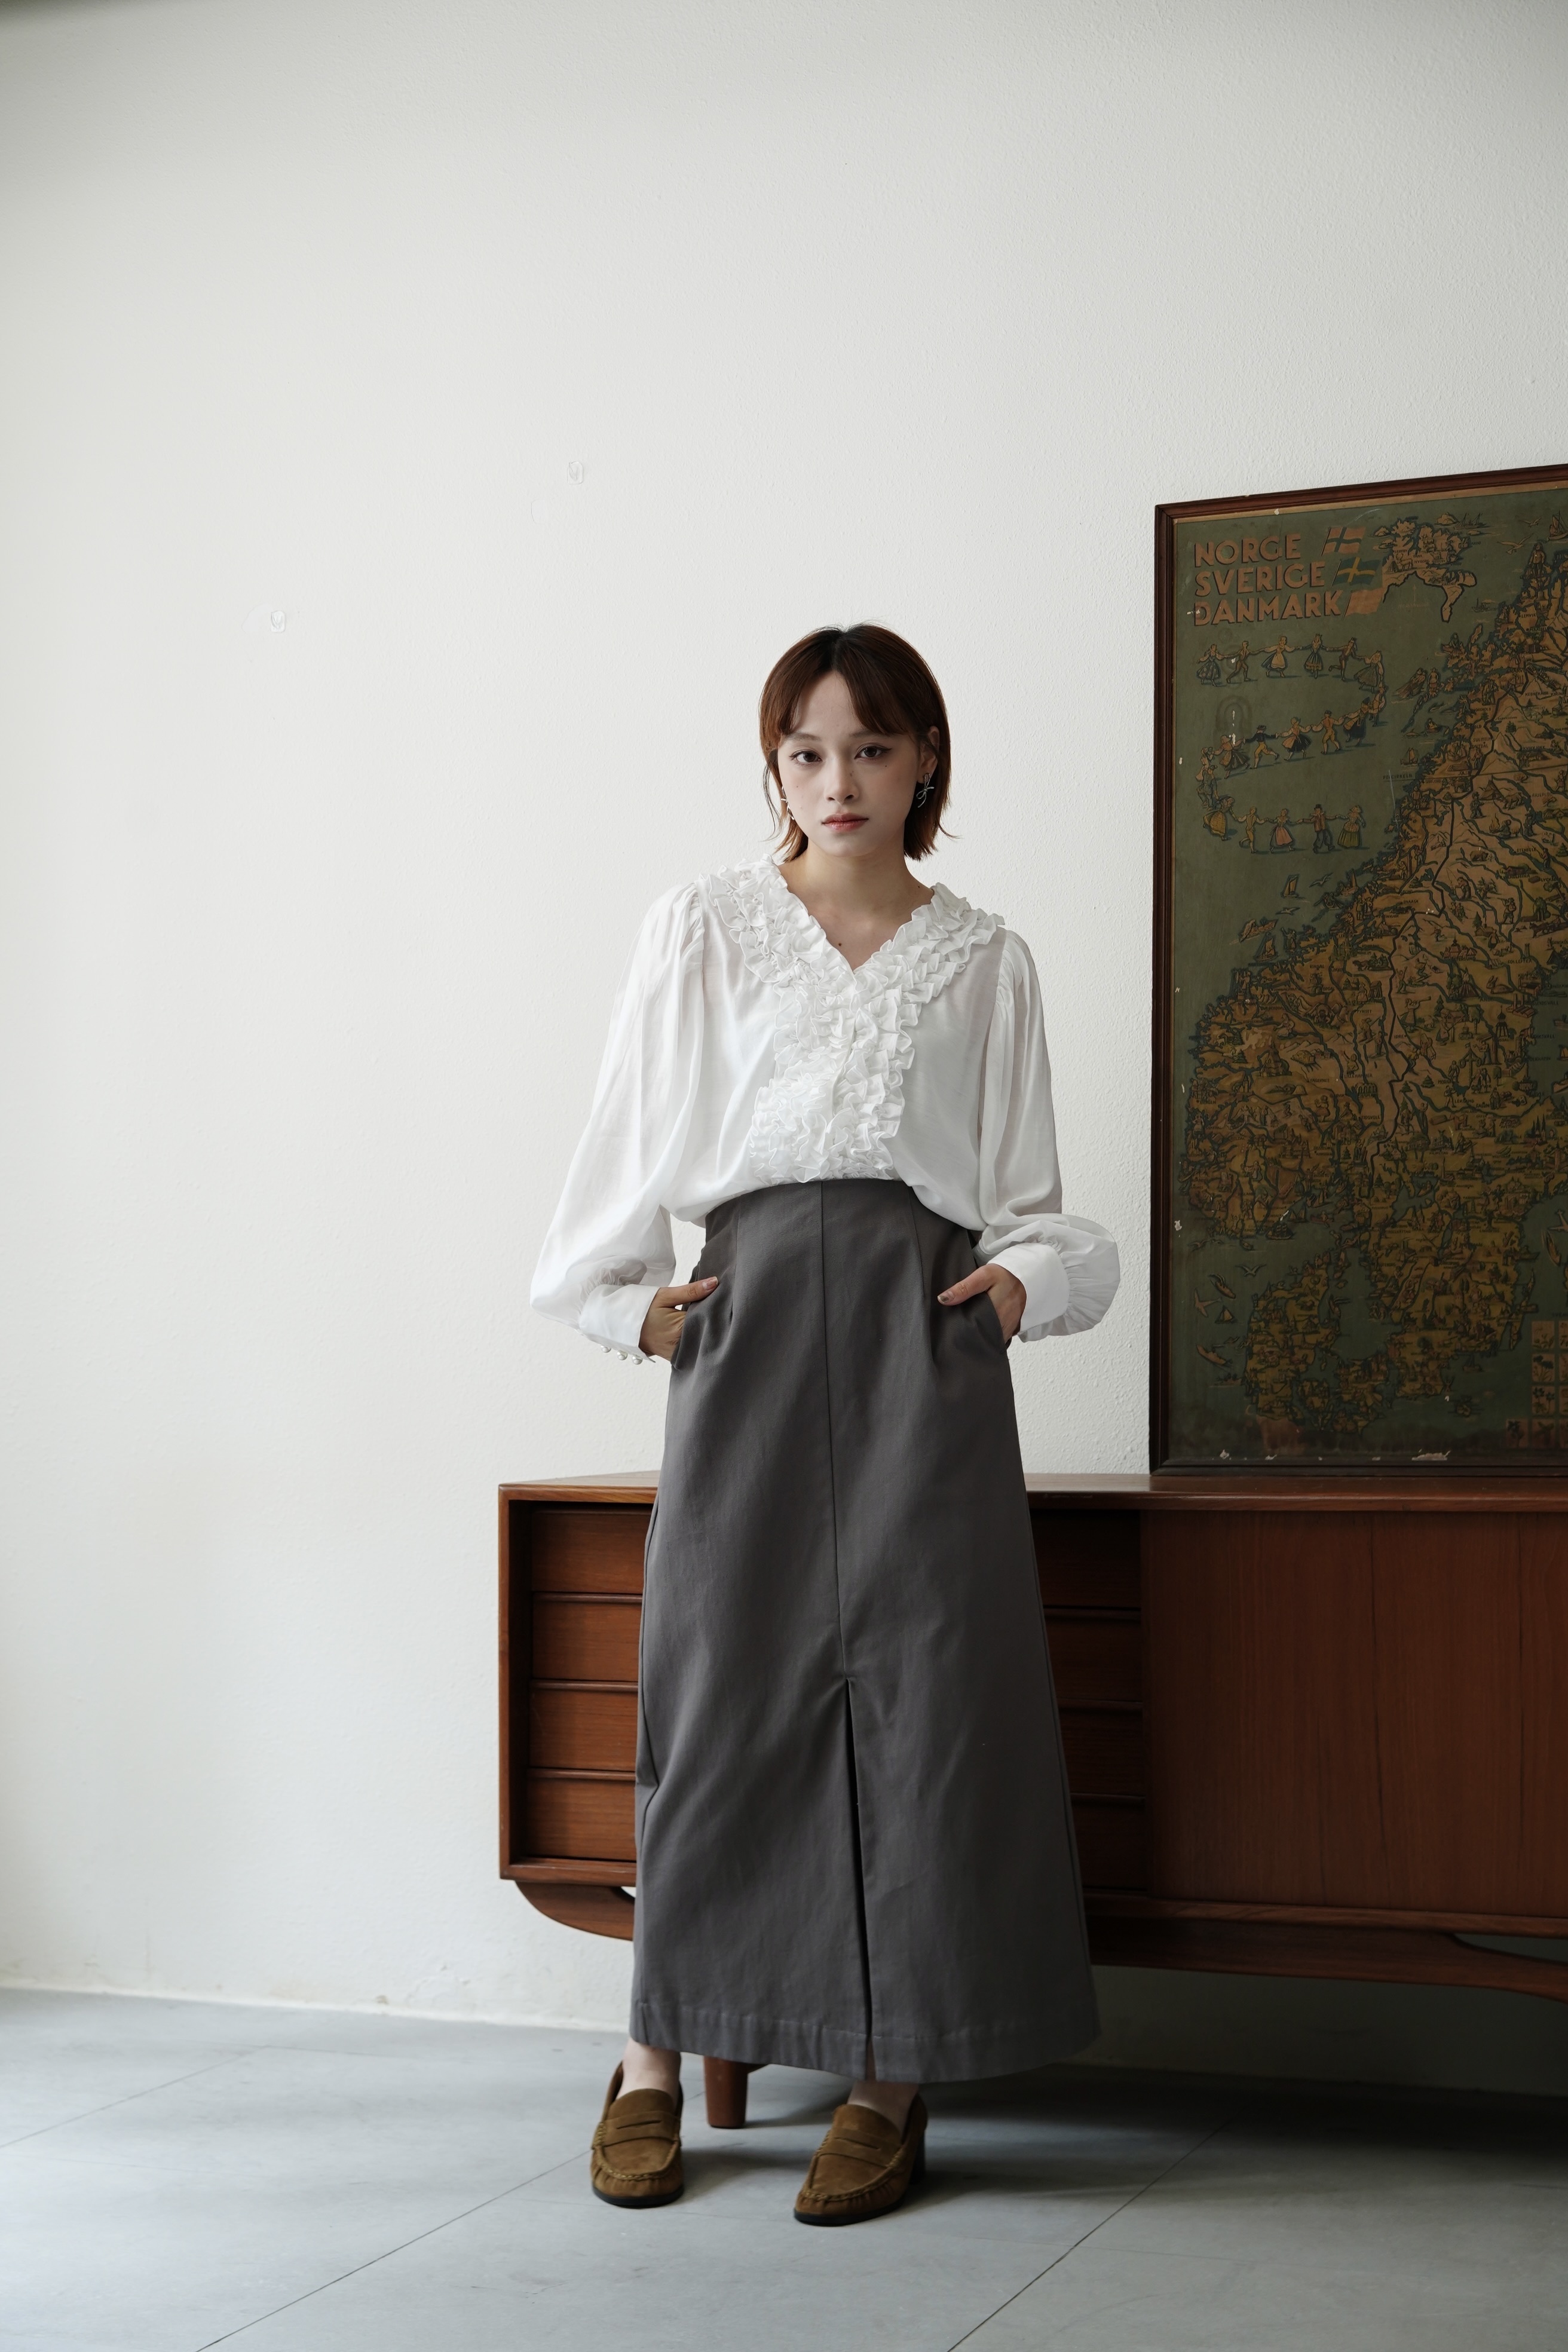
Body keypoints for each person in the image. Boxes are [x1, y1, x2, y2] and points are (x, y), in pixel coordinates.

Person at [532, 624, 1119, 2226]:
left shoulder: (985, 958)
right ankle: (652, 2061)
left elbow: (1030, 1192)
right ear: (774, 766)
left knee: (929, 1697)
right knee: (719, 1686)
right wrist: (631, 1304)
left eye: (870, 747)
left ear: (926, 759)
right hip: (753, 1322)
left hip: (924, 1331)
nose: (837, 780)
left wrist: (1017, 1286)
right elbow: (625, 1133)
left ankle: (891, 2080)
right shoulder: (706, 925)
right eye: (806, 750)